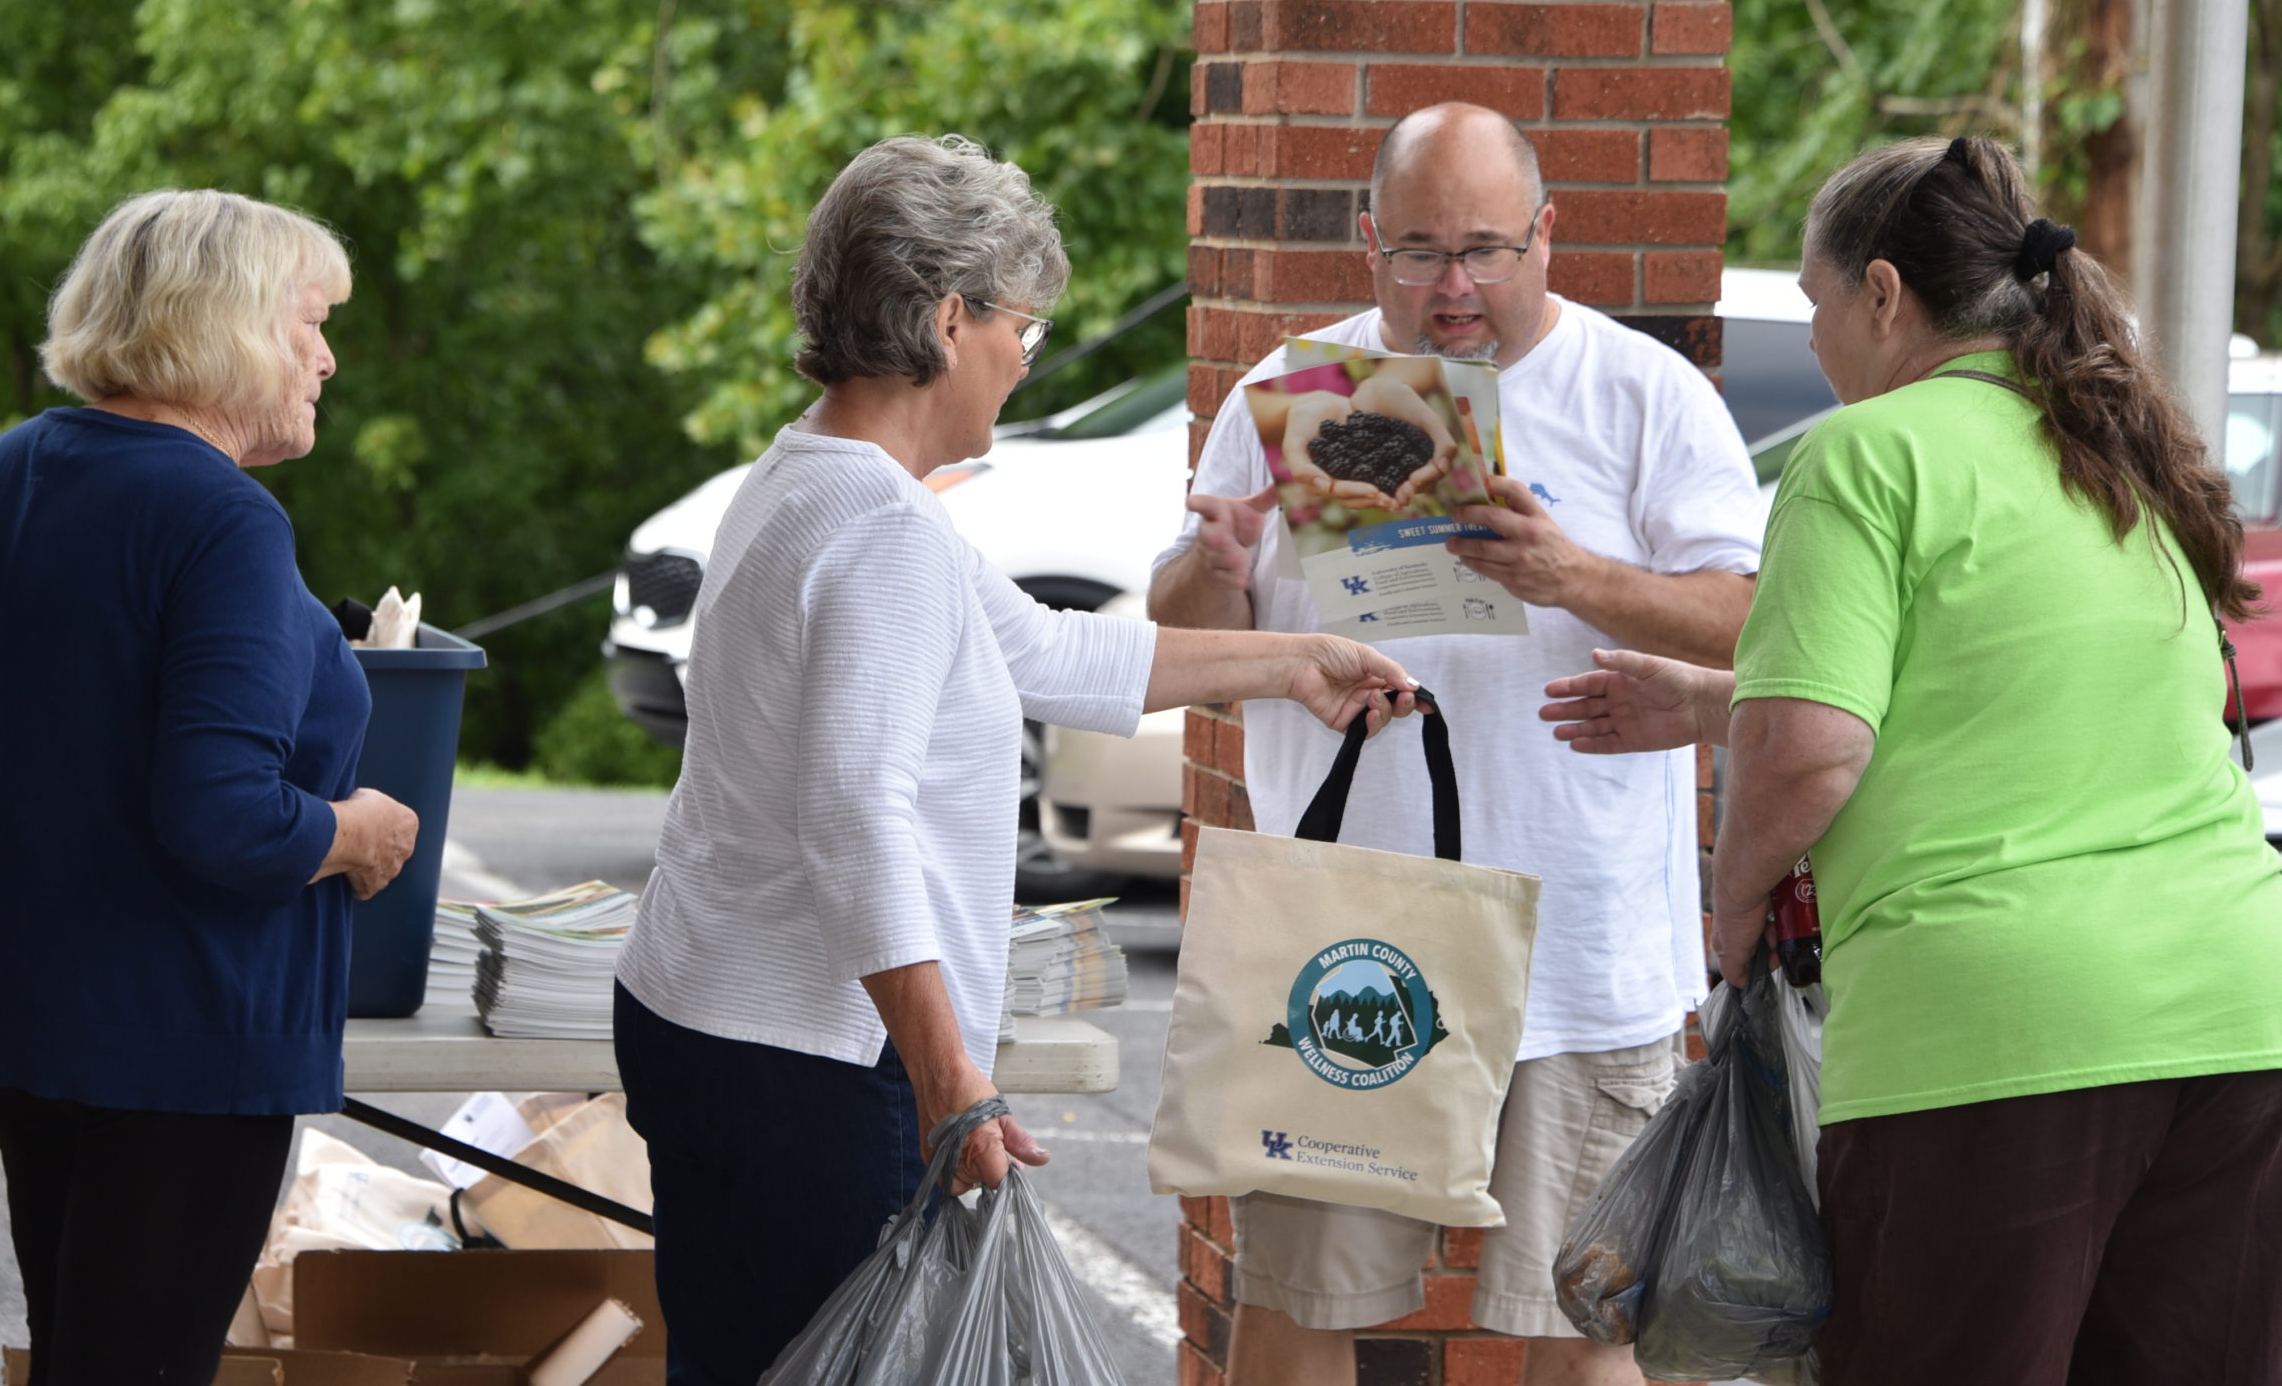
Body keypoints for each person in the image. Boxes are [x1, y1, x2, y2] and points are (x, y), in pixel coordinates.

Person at [612, 135, 1423, 1386]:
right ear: (947, 320)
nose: (1023, 357)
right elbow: (854, 815)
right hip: (815, 1067)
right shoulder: (882, 528)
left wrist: (1291, 661)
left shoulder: (804, 482)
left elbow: (1043, 654)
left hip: (705, 1015)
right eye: (1024, 328)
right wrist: (952, 1081)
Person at [1541, 135, 2282, 1385]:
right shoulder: (2118, 453)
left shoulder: (1865, 452)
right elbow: (1998, 698)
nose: (1822, 338)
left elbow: (1815, 749)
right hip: (2236, 1014)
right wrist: (1726, 700)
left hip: (1997, 1028)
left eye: (1819, 302)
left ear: (1882, 294)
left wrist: (1726, 927)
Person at [1149, 103, 1766, 1386]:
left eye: (1486, 249)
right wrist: (1207, 571)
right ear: (1366, 241)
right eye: (1419, 251)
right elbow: (1193, 644)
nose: (1453, 286)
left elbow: (1758, 625)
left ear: (1547, 235)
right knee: (1296, 1303)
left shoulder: (1642, 395)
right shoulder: (1294, 389)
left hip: (1581, 946)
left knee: (1583, 1329)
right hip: (1349, 933)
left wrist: (1572, 573)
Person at [0, 191, 421, 1386]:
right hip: (182, 1050)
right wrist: (351, 832)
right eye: (309, 323)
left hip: (23, 1031)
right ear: (231, 327)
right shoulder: (224, 521)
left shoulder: (13, 472)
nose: (329, 356)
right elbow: (223, 814)